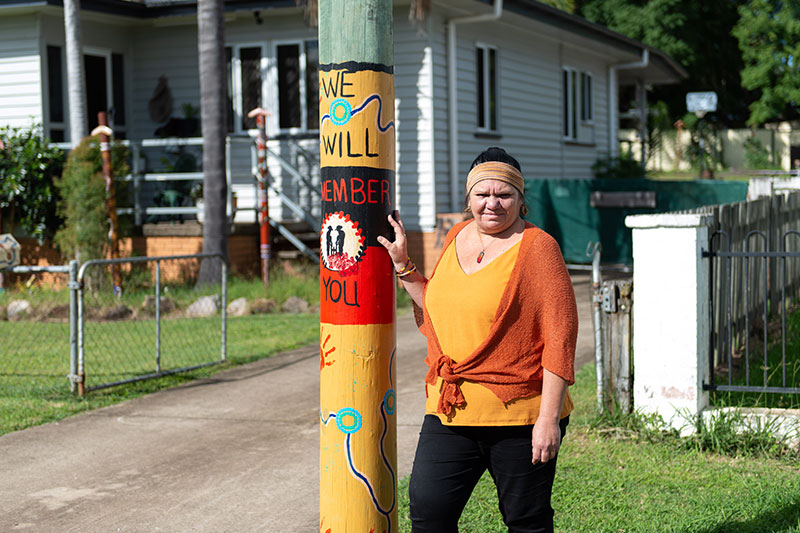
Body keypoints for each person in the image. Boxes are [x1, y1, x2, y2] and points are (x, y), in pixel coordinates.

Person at [377, 147, 577, 533]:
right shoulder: (456, 235)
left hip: (520, 413)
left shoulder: (539, 248)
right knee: (429, 512)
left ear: (521, 199)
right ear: (468, 198)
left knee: (526, 521)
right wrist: (403, 264)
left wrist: (548, 419)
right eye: (482, 194)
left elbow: (560, 335)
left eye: (504, 194)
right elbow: (437, 305)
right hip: (451, 404)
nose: (492, 204)